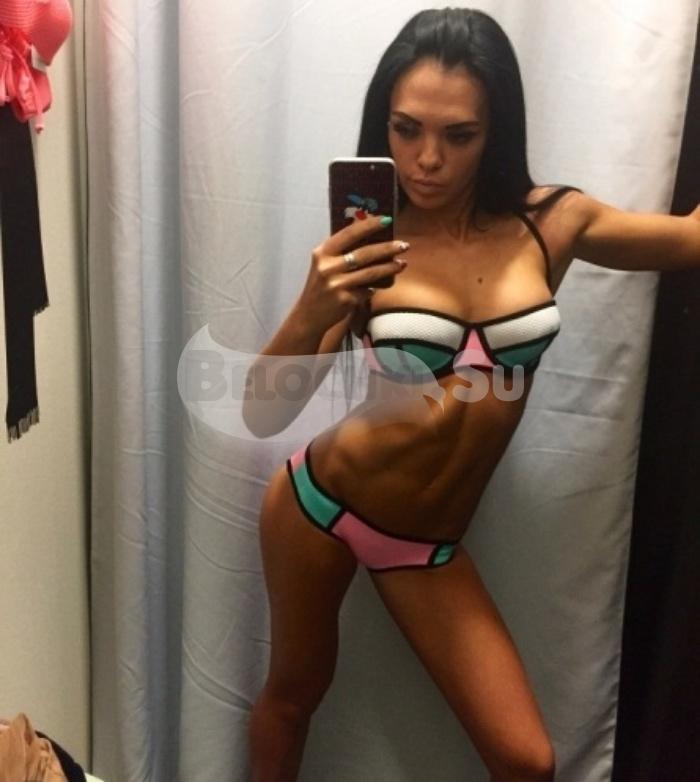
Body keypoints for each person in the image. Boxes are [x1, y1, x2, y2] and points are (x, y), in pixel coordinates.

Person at [245, 8, 700, 781]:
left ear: (497, 132)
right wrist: (314, 306)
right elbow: (262, 411)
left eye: (459, 135)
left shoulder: (552, 223)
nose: (428, 160)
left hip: (426, 543)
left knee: (527, 761)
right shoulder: (367, 245)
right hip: (318, 504)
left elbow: (690, 238)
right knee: (292, 698)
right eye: (406, 129)